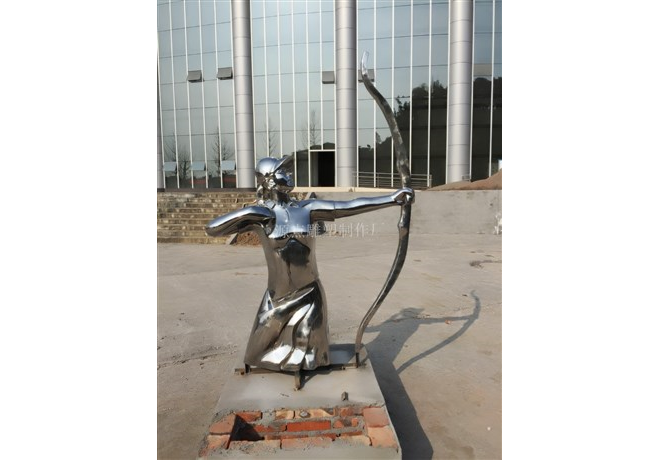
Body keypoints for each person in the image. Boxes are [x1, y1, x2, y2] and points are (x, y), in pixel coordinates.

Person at [205, 155, 414, 372]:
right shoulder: (263, 215)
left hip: (309, 293)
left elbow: (349, 205)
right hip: (278, 298)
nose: (289, 174)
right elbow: (212, 229)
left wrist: (392, 198)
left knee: (311, 350)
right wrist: (249, 212)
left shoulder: (307, 208)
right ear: (268, 180)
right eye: (282, 171)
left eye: (288, 170)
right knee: (258, 351)